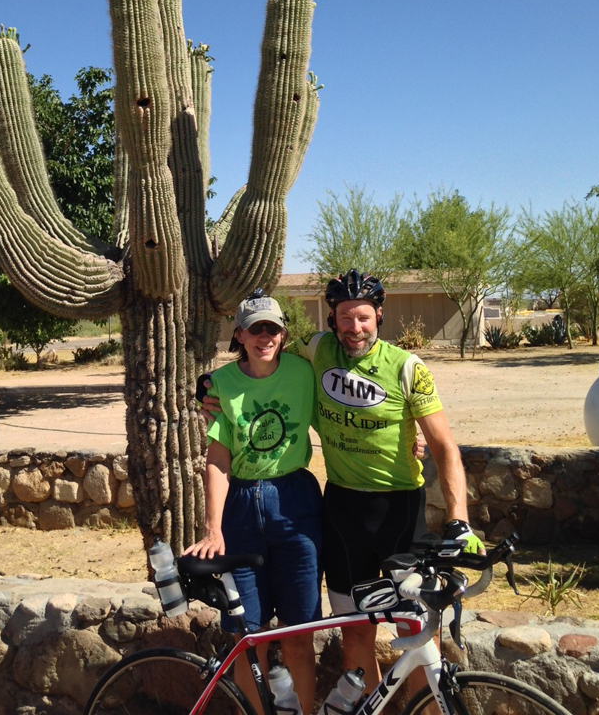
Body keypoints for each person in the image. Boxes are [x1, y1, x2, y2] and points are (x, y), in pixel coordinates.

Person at [293, 269, 484, 690]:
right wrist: (211, 388)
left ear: (379, 315)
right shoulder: (317, 349)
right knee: (355, 632)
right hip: (342, 512)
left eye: (363, 317)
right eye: (345, 318)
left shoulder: (406, 368)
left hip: (400, 513)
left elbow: (444, 446)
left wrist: (459, 518)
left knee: (414, 633)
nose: (354, 328)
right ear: (332, 318)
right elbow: (263, 358)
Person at [184, 290, 322, 715]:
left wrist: (409, 439)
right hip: (242, 505)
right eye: (256, 328)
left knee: (300, 633)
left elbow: (342, 415)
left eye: (273, 328)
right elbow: (219, 459)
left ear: (283, 335)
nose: (265, 336)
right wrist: (213, 528)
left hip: (295, 501)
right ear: (240, 335)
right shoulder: (220, 385)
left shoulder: (304, 373)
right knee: (250, 636)